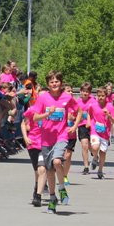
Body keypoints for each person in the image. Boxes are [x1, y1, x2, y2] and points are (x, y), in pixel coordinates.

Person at [29, 71, 77, 213]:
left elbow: (79, 110)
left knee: (57, 162)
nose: (54, 84)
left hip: (61, 136)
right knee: (49, 170)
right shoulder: (43, 98)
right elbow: (36, 118)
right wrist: (48, 114)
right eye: (51, 82)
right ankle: (52, 197)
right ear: (48, 84)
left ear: (61, 83)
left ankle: (61, 188)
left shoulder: (67, 97)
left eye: (56, 81)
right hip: (46, 140)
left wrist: (74, 126)